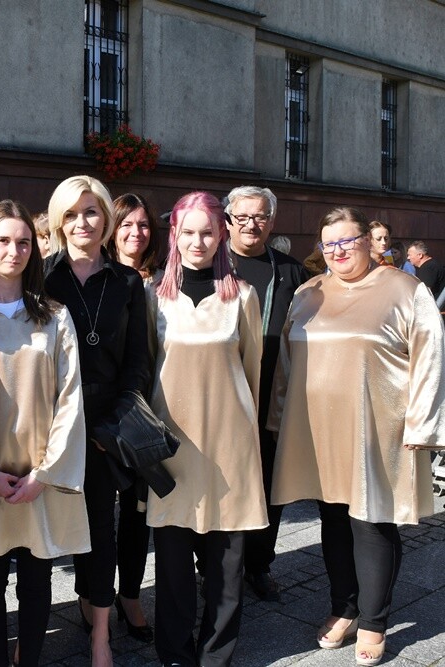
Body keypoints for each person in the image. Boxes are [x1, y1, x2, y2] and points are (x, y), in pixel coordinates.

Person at [270, 207, 445, 667]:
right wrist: (280, 419)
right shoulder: (310, 292)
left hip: (379, 427)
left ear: (370, 242)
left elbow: (431, 356)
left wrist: (424, 425)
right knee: (331, 518)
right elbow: (288, 363)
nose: (338, 251)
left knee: (371, 522)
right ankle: (343, 607)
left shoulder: (405, 290)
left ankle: (373, 620)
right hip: (319, 428)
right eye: (329, 244)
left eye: (347, 241)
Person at [0, 200, 88, 667]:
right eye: (3, 241)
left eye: (23, 242)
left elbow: (70, 398)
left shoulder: (54, 316)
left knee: (37, 580)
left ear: (34, 250)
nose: (14, 250)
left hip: (39, 474)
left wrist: (46, 473)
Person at [146, 191, 265, 667]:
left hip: (229, 447)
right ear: (174, 235)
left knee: (226, 562)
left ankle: (217, 653)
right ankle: (174, 650)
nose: (198, 241)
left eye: (208, 232)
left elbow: (253, 371)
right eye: (188, 231)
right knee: (173, 562)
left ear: (223, 236)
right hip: (172, 447)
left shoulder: (244, 297)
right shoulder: (154, 296)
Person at [43, 175, 150, 667]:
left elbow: (137, 362)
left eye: (91, 212)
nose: (82, 222)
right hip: (51, 420)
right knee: (48, 526)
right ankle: (55, 613)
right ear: (58, 221)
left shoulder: (128, 283)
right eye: (71, 213)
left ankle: (101, 635)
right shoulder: (41, 276)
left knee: (100, 530)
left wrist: (113, 426)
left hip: (105, 424)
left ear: (106, 219)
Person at [222, 185, 309, 604]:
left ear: (272, 222)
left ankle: (259, 564)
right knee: (223, 483)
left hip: (272, 398)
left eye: (259, 217)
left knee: (270, 486)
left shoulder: (291, 272)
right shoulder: (209, 264)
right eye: (242, 217)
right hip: (221, 399)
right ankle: (216, 566)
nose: (251, 225)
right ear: (228, 220)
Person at [102, 191, 162, 640]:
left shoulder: (164, 279)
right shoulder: (102, 277)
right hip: (107, 406)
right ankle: (95, 592)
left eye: (142, 225)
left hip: (150, 404)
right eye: (126, 224)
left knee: (139, 510)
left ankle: (131, 593)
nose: (135, 233)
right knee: (101, 507)